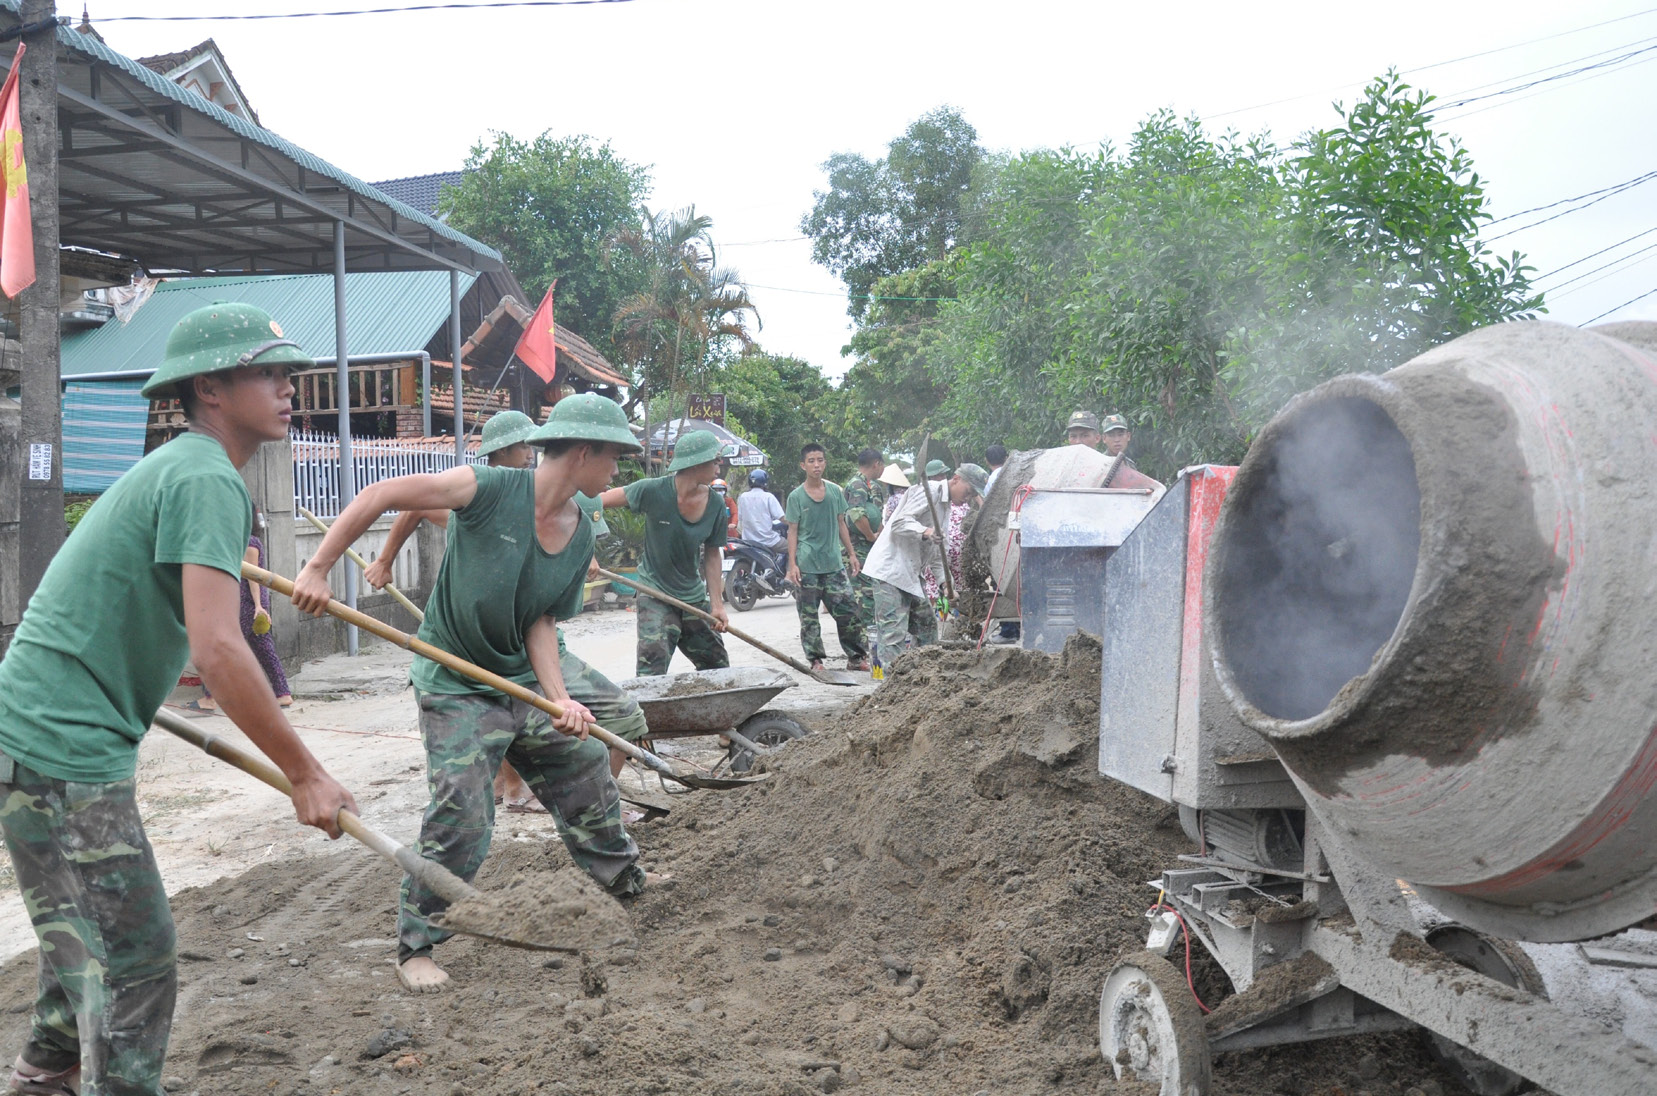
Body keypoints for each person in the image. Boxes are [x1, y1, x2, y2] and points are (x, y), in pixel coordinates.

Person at [0, 302, 358, 1096]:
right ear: (211, 389)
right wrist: (305, 773)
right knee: (136, 959)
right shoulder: (203, 478)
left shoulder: (187, 473)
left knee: (83, 932)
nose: (287, 388)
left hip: (46, 732)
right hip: (58, 743)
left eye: (288, 373)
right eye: (267, 373)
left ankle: (39, 1079)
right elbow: (220, 649)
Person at [291, 393, 653, 995]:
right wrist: (319, 567)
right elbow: (383, 495)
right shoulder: (486, 490)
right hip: (456, 680)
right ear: (584, 451)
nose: (617, 472)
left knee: (587, 766)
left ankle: (624, 885)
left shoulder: (580, 529)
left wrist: (559, 698)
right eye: (614, 456)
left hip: (521, 679)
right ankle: (417, 945)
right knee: (463, 807)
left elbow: (539, 621)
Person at [363, 408, 545, 813]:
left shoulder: (527, 494)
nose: (530, 454)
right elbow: (413, 507)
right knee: (504, 701)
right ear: (501, 451)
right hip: (466, 624)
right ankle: (511, 788)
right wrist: (385, 560)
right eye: (522, 447)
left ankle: (504, 787)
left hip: (504, 620)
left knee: (505, 700)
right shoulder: (471, 495)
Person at [598, 429, 730, 678]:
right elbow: (597, 502)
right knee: (652, 666)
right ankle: (649, 716)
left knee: (718, 666)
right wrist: (587, 550)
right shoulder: (652, 491)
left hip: (691, 596)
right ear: (694, 463)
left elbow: (713, 554)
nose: (719, 464)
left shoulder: (715, 505)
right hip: (655, 593)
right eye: (714, 459)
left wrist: (717, 604)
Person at [864, 464, 988, 659]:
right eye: (969, 490)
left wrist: (945, 585)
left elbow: (937, 554)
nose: (969, 496)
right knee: (892, 633)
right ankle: (890, 684)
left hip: (912, 574)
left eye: (973, 494)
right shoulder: (929, 491)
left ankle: (927, 673)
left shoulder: (946, 506)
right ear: (956, 479)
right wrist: (926, 532)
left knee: (927, 627)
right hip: (890, 570)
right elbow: (898, 523)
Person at [191, 502, 292, 712]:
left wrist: (257, 607)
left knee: (216, 646)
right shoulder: (239, 542)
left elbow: (253, 577)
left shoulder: (249, 543)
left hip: (247, 603)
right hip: (241, 602)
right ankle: (283, 694)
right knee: (262, 649)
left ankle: (210, 698)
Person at [785, 443, 870, 672]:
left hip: (834, 565)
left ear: (825, 463)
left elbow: (842, 523)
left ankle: (856, 657)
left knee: (848, 612)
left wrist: (851, 554)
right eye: (811, 461)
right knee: (809, 616)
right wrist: (792, 565)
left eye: (820, 460)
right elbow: (792, 531)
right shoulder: (796, 497)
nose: (816, 465)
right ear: (803, 465)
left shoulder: (834, 492)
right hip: (807, 565)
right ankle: (815, 660)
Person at [842, 449, 889, 636]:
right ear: (876, 464)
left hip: (869, 550)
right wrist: (870, 536)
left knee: (872, 596)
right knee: (864, 598)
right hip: (858, 550)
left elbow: (877, 516)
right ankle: (866, 642)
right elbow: (856, 515)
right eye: (882, 465)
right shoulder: (857, 485)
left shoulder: (870, 485)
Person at [736, 468, 785, 549]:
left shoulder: (743, 497)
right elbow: (782, 518)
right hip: (769, 541)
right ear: (765, 482)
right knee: (793, 548)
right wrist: (794, 523)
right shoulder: (768, 497)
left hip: (748, 542)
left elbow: (740, 518)